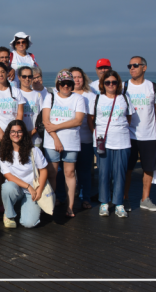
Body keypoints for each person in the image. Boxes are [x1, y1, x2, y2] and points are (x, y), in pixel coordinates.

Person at [89, 70, 135, 218]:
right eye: (107, 82)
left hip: (122, 142)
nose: (111, 85)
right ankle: (104, 202)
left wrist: (119, 129)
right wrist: (96, 134)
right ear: (103, 84)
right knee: (103, 173)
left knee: (119, 174)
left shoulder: (124, 98)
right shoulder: (97, 98)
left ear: (118, 83)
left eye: (113, 82)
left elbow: (129, 117)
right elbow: (91, 119)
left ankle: (119, 203)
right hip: (102, 142)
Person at [41, 70, 86, 218]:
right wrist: (56, 138)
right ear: (58, 84)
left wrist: (56, 126)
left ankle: (70, 206)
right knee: (52, 173)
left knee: (70, 173)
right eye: (62, 83)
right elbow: (46, 120)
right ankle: (51, 204)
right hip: (52, 141)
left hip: (71, 142)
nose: (65, 86)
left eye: (68, 83)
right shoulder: (50, 97)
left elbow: (78, 120)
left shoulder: (78, 99)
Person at [123, 56, 156, 212]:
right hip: (129, 136)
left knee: (148, 168)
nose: (132, 68)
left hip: (149, 135)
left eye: (135, 65)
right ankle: (125, 198)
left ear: (144, 68)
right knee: (127, 169)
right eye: (130, 66)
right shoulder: (124, 86)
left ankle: (145, 199)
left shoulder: (152, 87)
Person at [0, 120, 49, 228]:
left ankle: (21, 208)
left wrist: (39, 190)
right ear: (9, 133)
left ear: (24, 133)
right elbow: (8, 176)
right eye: (13, 131)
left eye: (19, 131)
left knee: (29, 223)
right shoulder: (3, 152)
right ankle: (9, 214)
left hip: (32, 192)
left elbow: (44, 170)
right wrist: (28, 186)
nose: (16, 134)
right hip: (16, 188)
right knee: (7, 187)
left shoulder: (34, 150)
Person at [70, 66, 97, 209]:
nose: (77, 80)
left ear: (83, 78)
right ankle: (64, 197)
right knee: (66, 171)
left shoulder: (91, 96)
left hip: (85, 139)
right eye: (73, 77)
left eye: (79, 77)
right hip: (68, 141)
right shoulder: (63, 94)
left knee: (84, 171)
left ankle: (85, 197)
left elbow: (92, 119)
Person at [17, 66, 44, 147]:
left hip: (35, 138)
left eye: (30, 76)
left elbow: (42, 116)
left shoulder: (38, 95)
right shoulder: (15, 93)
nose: (27, 79)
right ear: (19, 77)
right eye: (24, 76)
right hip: (18, 137)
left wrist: (32, 132)